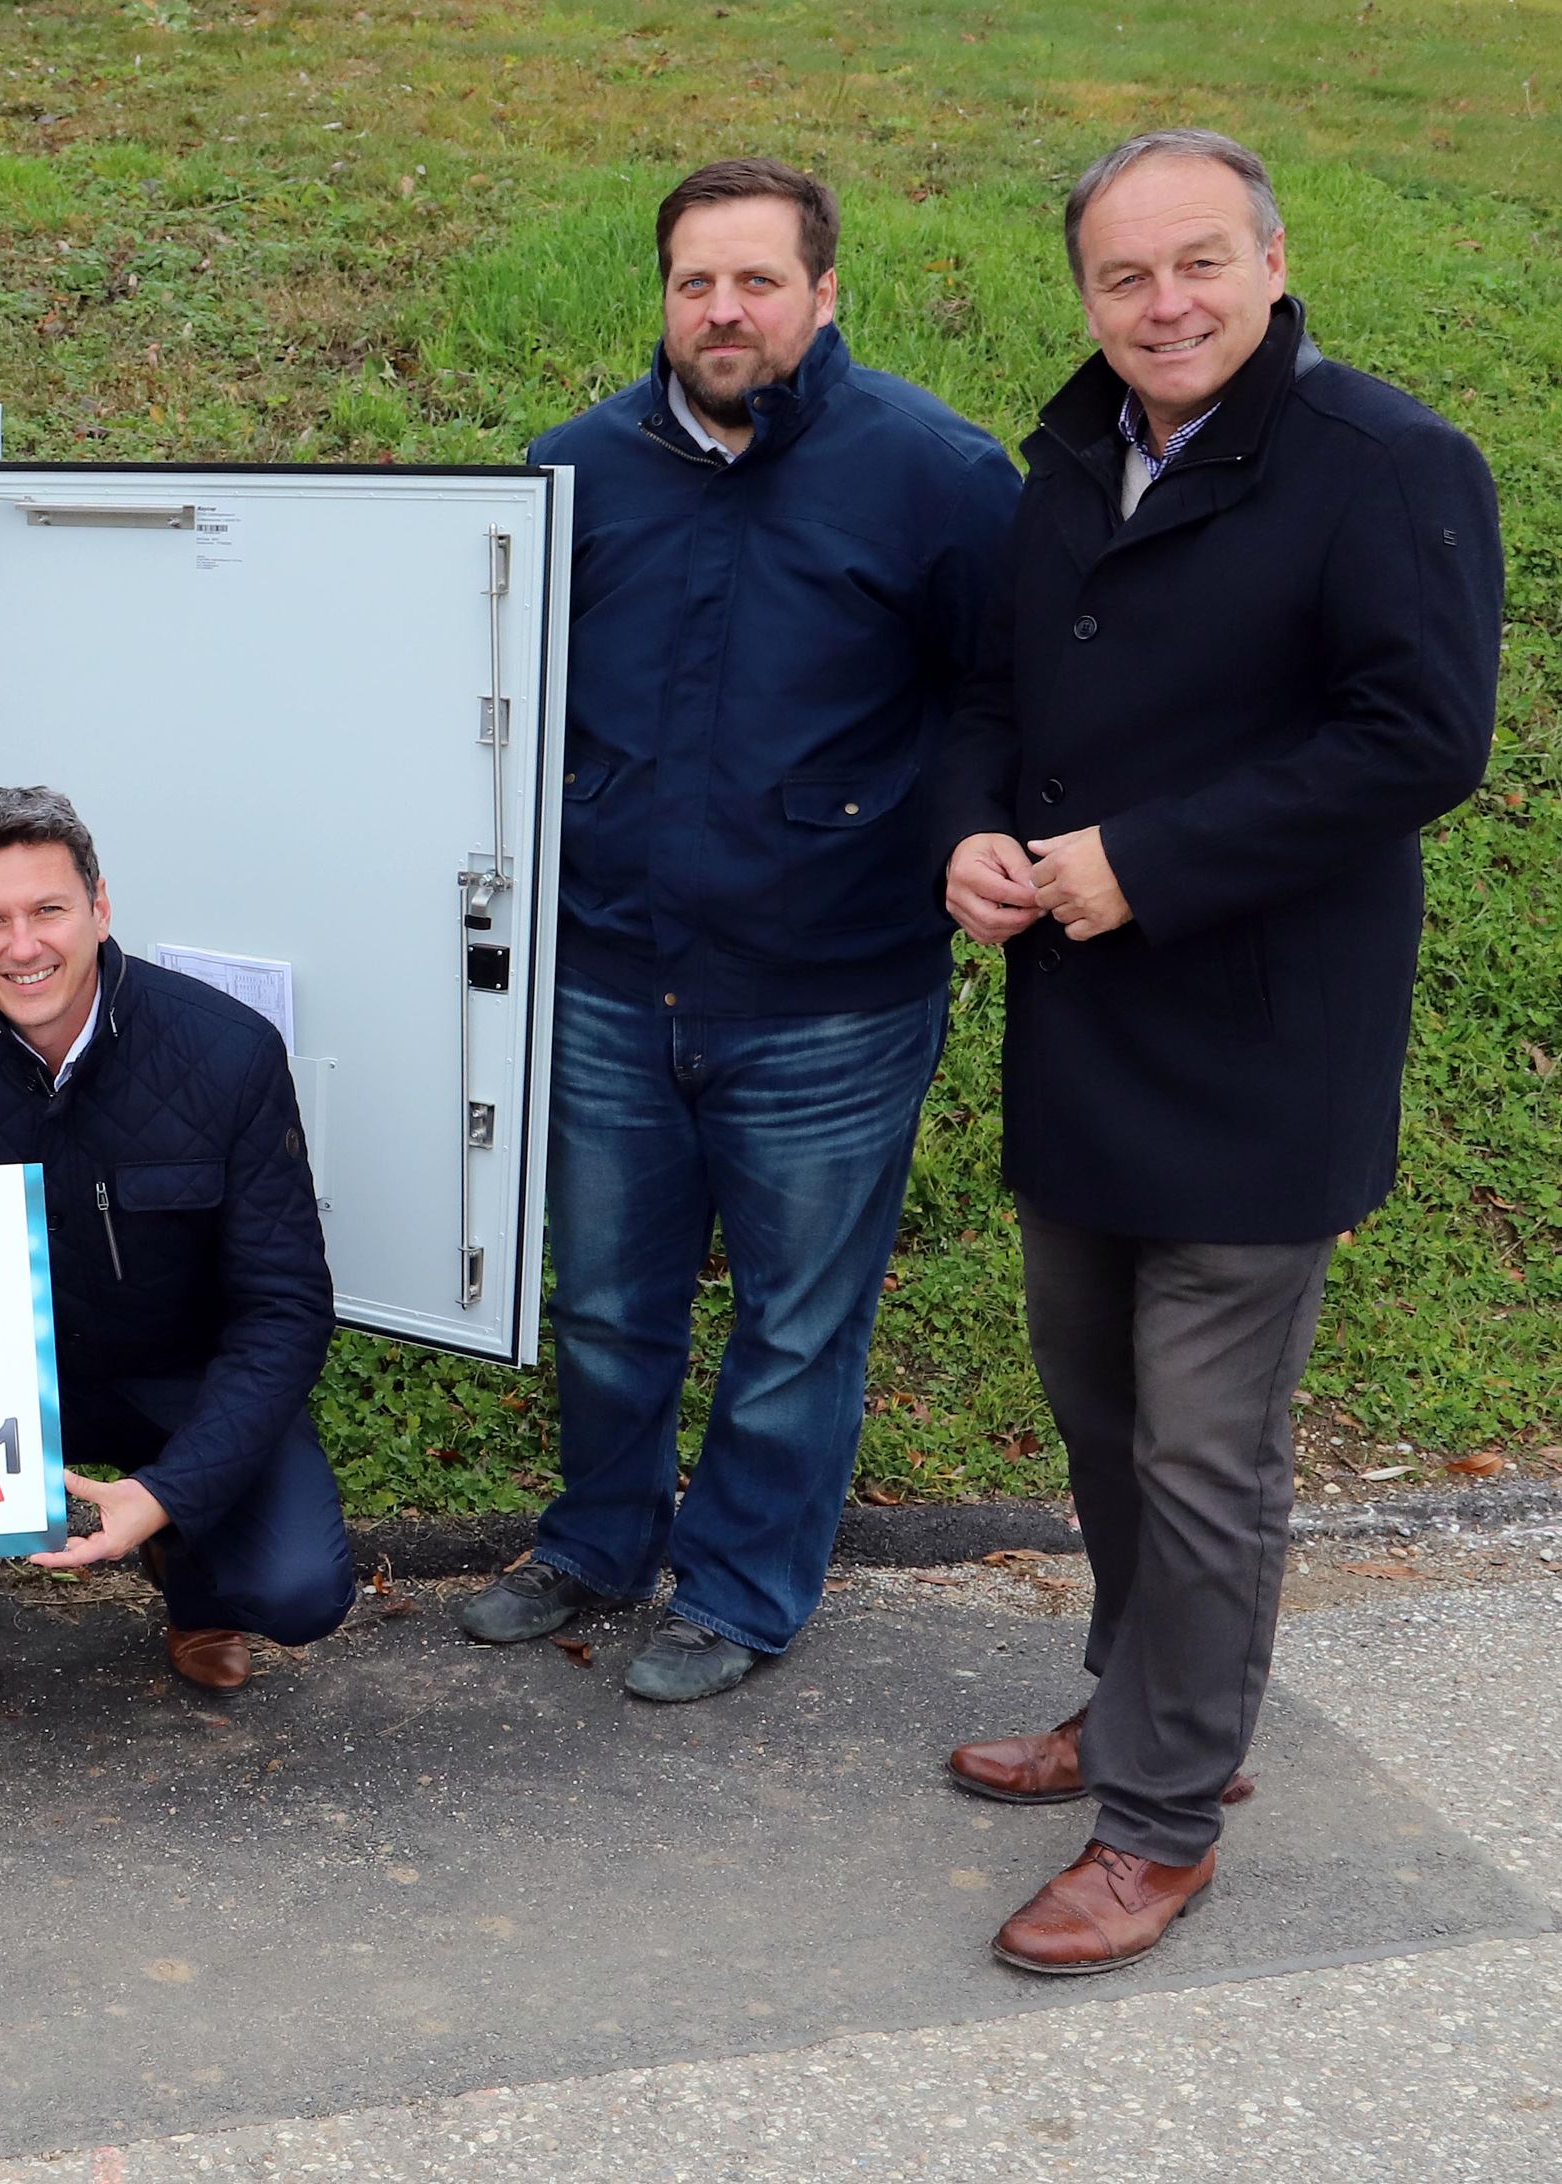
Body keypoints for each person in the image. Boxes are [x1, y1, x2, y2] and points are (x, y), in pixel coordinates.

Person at [938, 130, 1500, 1976]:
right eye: (1122, 277)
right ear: (1085, 294)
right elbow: (995, 692)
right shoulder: (1069, 455)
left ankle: (1164, 1817)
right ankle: (1140, 1692)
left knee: (1202, 1450)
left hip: (1267, 1045)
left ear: (1271, 261)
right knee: (1101, 1413)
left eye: (1197, 264)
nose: (1162, 305)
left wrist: (1144, 860)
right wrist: (972, 830)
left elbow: (1417, 741)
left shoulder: (1386, 465)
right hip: (1087, 1025)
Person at [459, 160, 1020, 1702]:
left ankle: (744, 1588)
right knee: (607, 1303)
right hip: (610, 982)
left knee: (794, 1327)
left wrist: (960, 842)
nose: (725, 311)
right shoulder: (570, 471)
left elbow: (1001, 698)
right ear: (663, 296)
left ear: (825, 294)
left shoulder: (939, 478)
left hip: (832, 997)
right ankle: (596, 1541)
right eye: (697, 281)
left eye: (759, 281)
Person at [0, 787, 354, 1777]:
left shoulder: (226, 1051)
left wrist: (168, 1493)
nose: (21, 946)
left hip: (179, 1374)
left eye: (48, 911)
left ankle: (188, 1575)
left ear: (100, 908)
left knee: (297, 1591)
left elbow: (284, 1310)